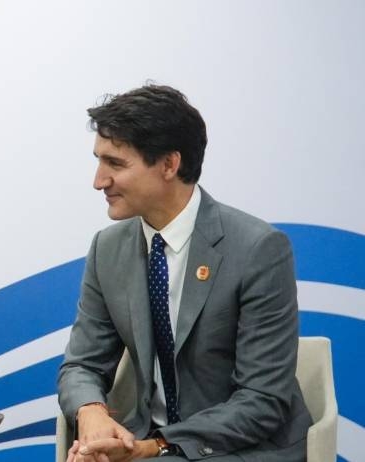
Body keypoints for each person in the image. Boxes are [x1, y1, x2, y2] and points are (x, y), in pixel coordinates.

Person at [57, 85, 311, 461]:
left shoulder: (258, 249)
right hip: (145, 439)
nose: (99, 181)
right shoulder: (107, 248)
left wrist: (154, 447)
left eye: (115, 164)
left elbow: (262, 401)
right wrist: (91, 412)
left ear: (169, 165)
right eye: (99, 161)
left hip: (240, 448)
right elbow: (81, 365)